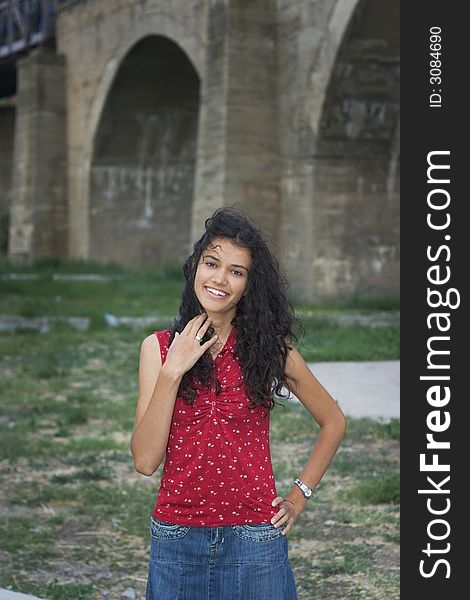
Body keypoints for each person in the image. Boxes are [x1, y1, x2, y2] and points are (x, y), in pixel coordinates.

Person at [131, 207, 346, 600]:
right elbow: (145, 462)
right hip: (177, 540)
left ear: (249, 284)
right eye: (212, 263)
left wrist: (299, 497)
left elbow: (333, 421)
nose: (219, 279)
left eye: (236, 271)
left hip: (255, 541)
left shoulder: (269, 351)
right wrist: (171, 373)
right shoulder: (158, 348)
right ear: (195, 266)